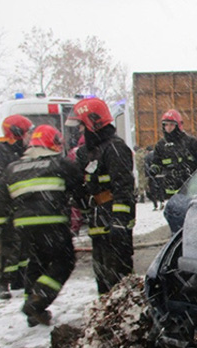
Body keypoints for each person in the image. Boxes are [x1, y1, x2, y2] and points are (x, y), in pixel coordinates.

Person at [0, 125, 85, 327]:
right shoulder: (60, 164)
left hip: (23, 227)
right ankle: (38, 299)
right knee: (64, 261)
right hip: (52, 223)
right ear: (54, 144)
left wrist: (5, 222)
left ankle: (33, 310)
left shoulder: (13, 168)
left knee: (36, 262)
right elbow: (80, 190)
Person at [65, 97, 136, 295]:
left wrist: (119, 222)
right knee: (102, 274)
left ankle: (123, 309)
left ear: (93, 123)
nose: (80, 131)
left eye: (81, 125)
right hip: (97, 220)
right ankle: (106, 308)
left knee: (118, 277)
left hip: (114, 221)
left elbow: (124, 188)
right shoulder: (86, 152)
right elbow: (82, 185)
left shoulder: (115, 148)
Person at [0, 114, 34, 300]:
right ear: (17, 132)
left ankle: (19, 279)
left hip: (18, 206)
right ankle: (2, 283)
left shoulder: (19, 151)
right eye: (28, 132)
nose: (30, 136)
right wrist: (7, 201)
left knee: (23, 244)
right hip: (3, 209)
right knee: (6, 247)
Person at [150, 109, 197, 200]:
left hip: (190, 190)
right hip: (170, 190)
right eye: (166, 125)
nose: (168, 128)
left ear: (178, 125)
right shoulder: (160, 145)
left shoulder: (191, 142)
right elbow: (156, 162)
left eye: (172, 124)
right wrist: (154, 169)